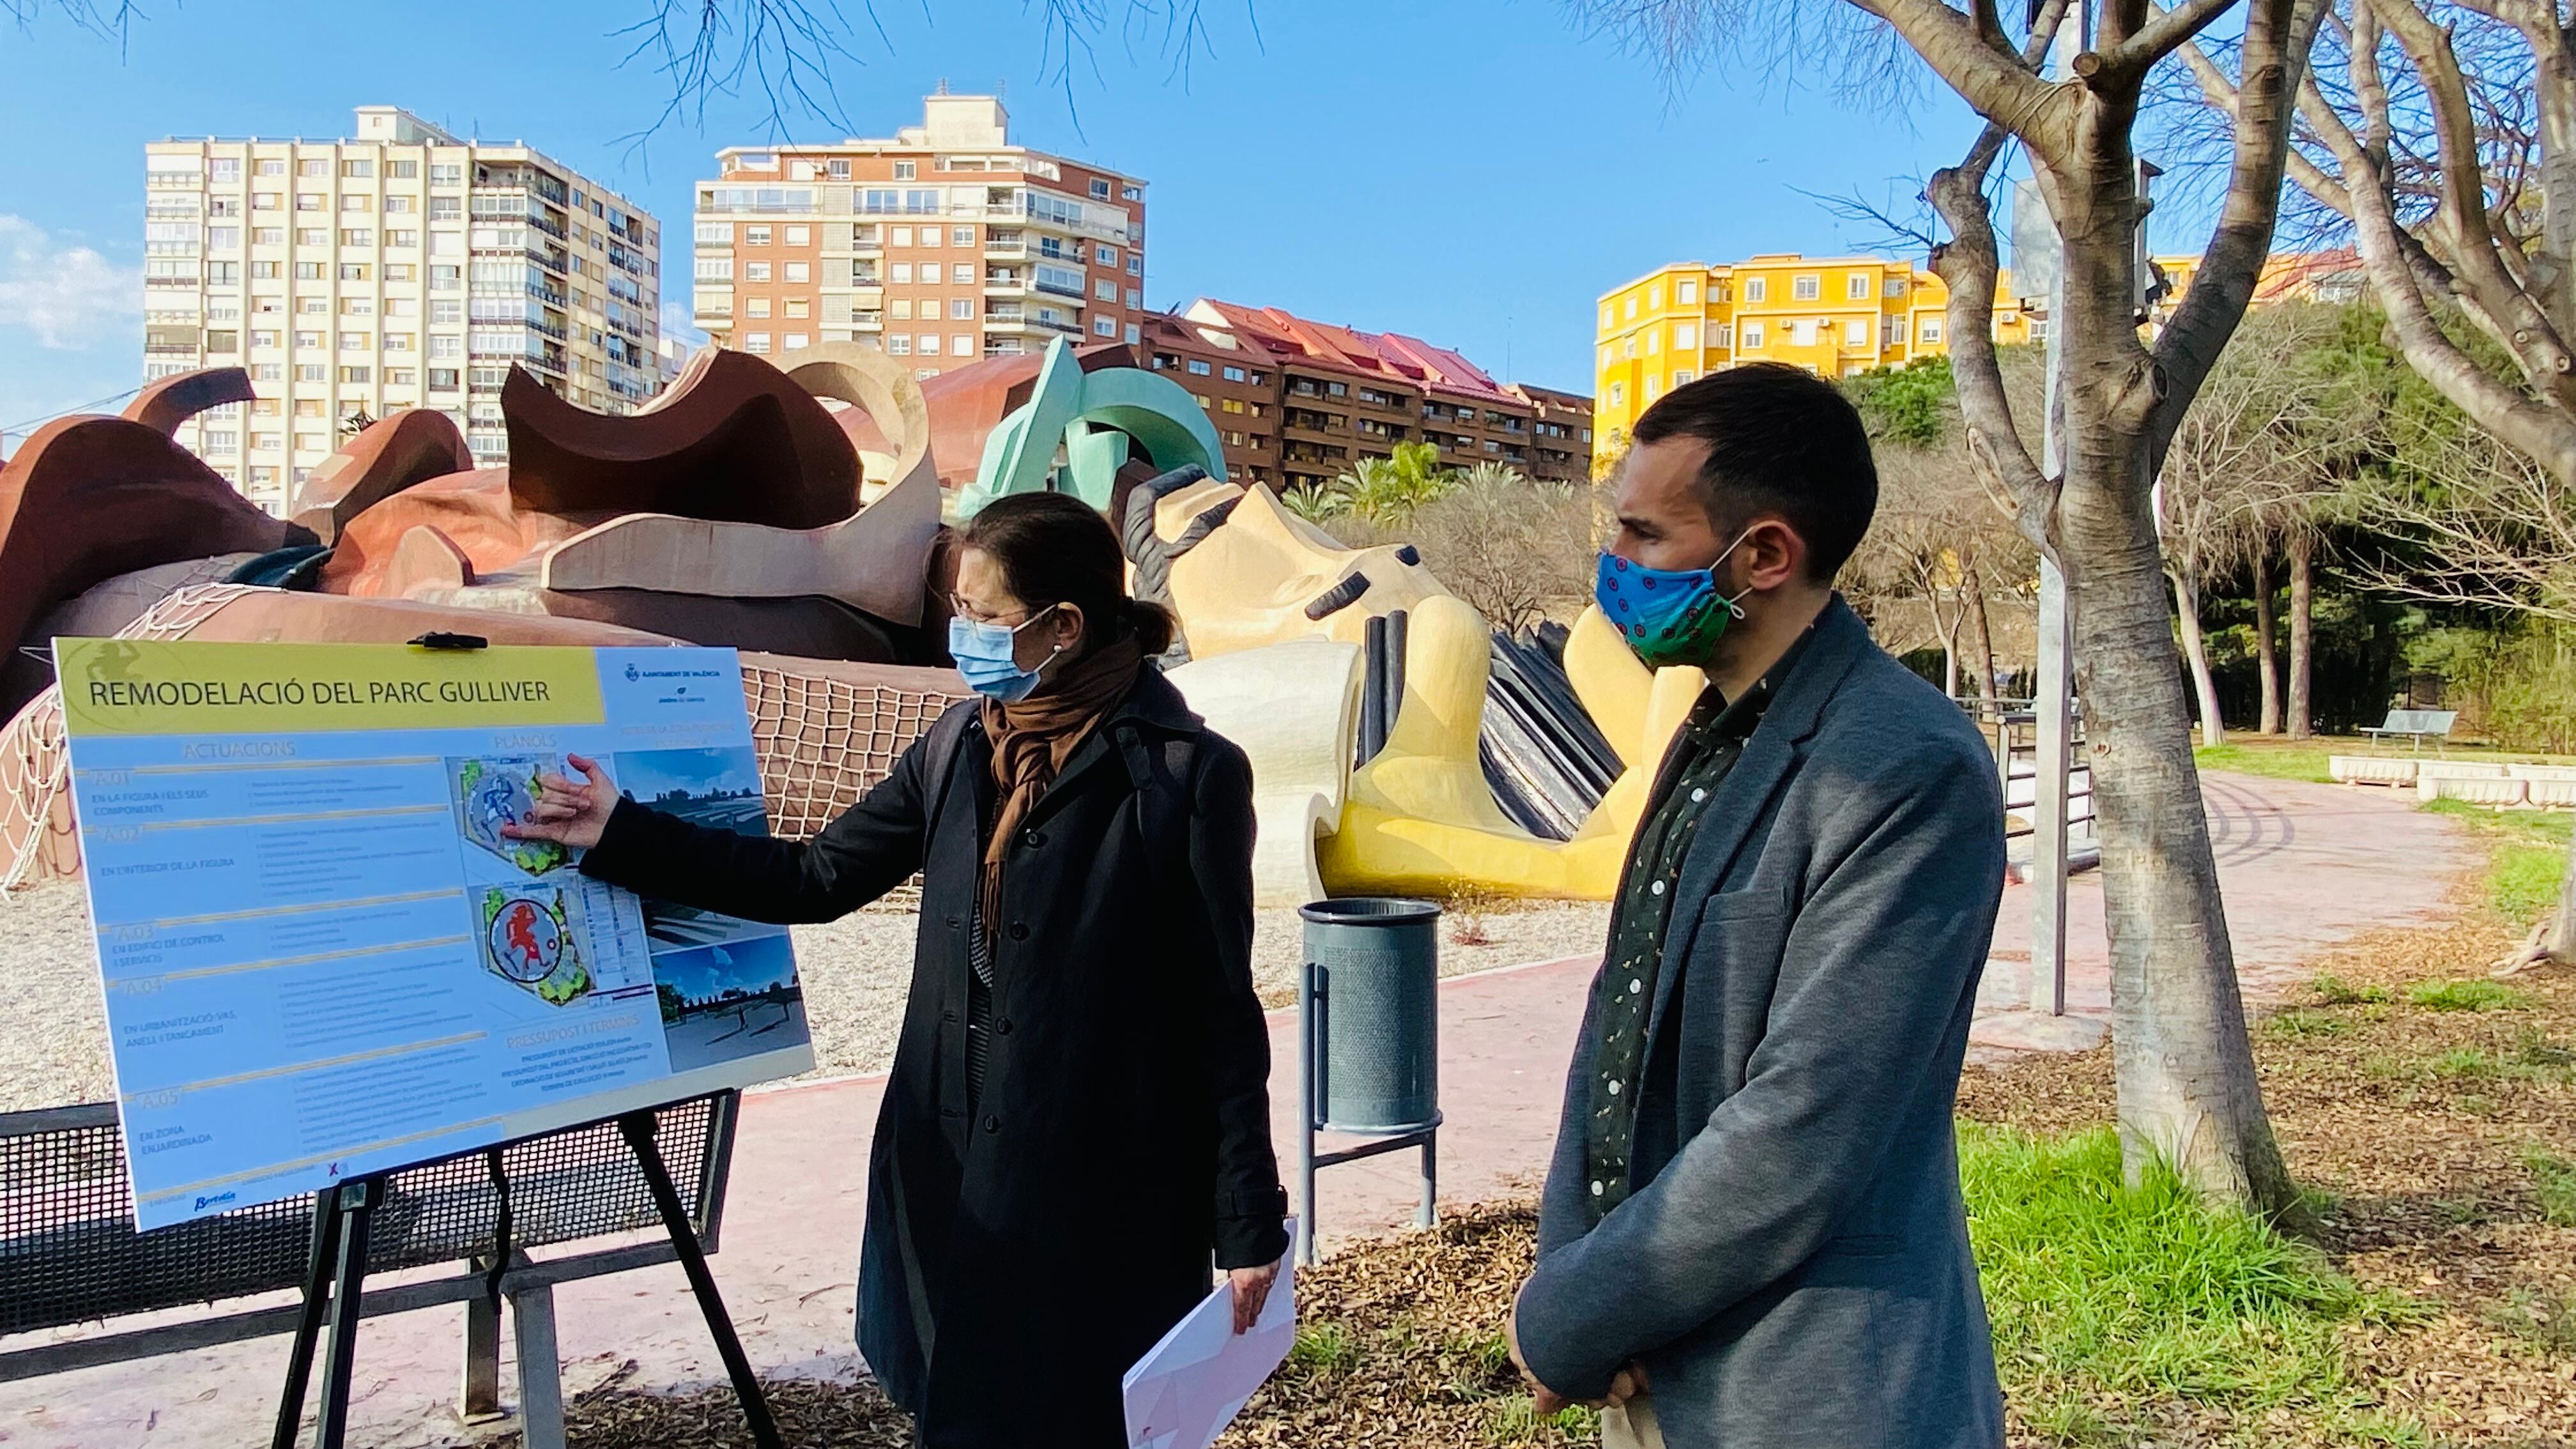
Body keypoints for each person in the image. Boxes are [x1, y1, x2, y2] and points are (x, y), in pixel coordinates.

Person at [507, 491, 1290, 1448]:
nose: (963, 635)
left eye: (985, 616)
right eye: (959, 610)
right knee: (956, 1411)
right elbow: (819, 875)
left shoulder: (1185, 775)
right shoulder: (958, 747)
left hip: (1102, 1190)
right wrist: (623, 832)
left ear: (1064, 626)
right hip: (946, 1170)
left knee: (1084, 1420)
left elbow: (1217, 1009)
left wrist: (1248, 1218)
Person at [1505, 364, 2008, 1448]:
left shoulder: (1904, 765)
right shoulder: (1714, 728)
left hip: (1805, 1389)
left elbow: (1806, 1128)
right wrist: (1577, 1284)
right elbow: (1623, 1019)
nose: (1614, 567)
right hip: (1652, 1366)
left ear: (1766, 554)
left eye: (1645, 536)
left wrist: (1573, 1313)